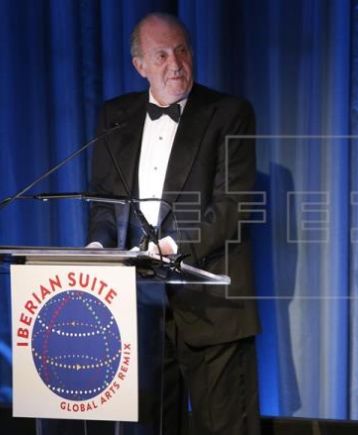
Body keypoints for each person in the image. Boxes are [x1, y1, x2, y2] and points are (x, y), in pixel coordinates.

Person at [87, 12, 261, 435]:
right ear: (140, 65)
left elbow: (232, 205)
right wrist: (97, 248)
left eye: (181, 50)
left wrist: (171, 246)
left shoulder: (228, 113)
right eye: (161, 55)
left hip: (212, 309)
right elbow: (105, 202)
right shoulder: (116, 116)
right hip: (139, 313)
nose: (175, 64)